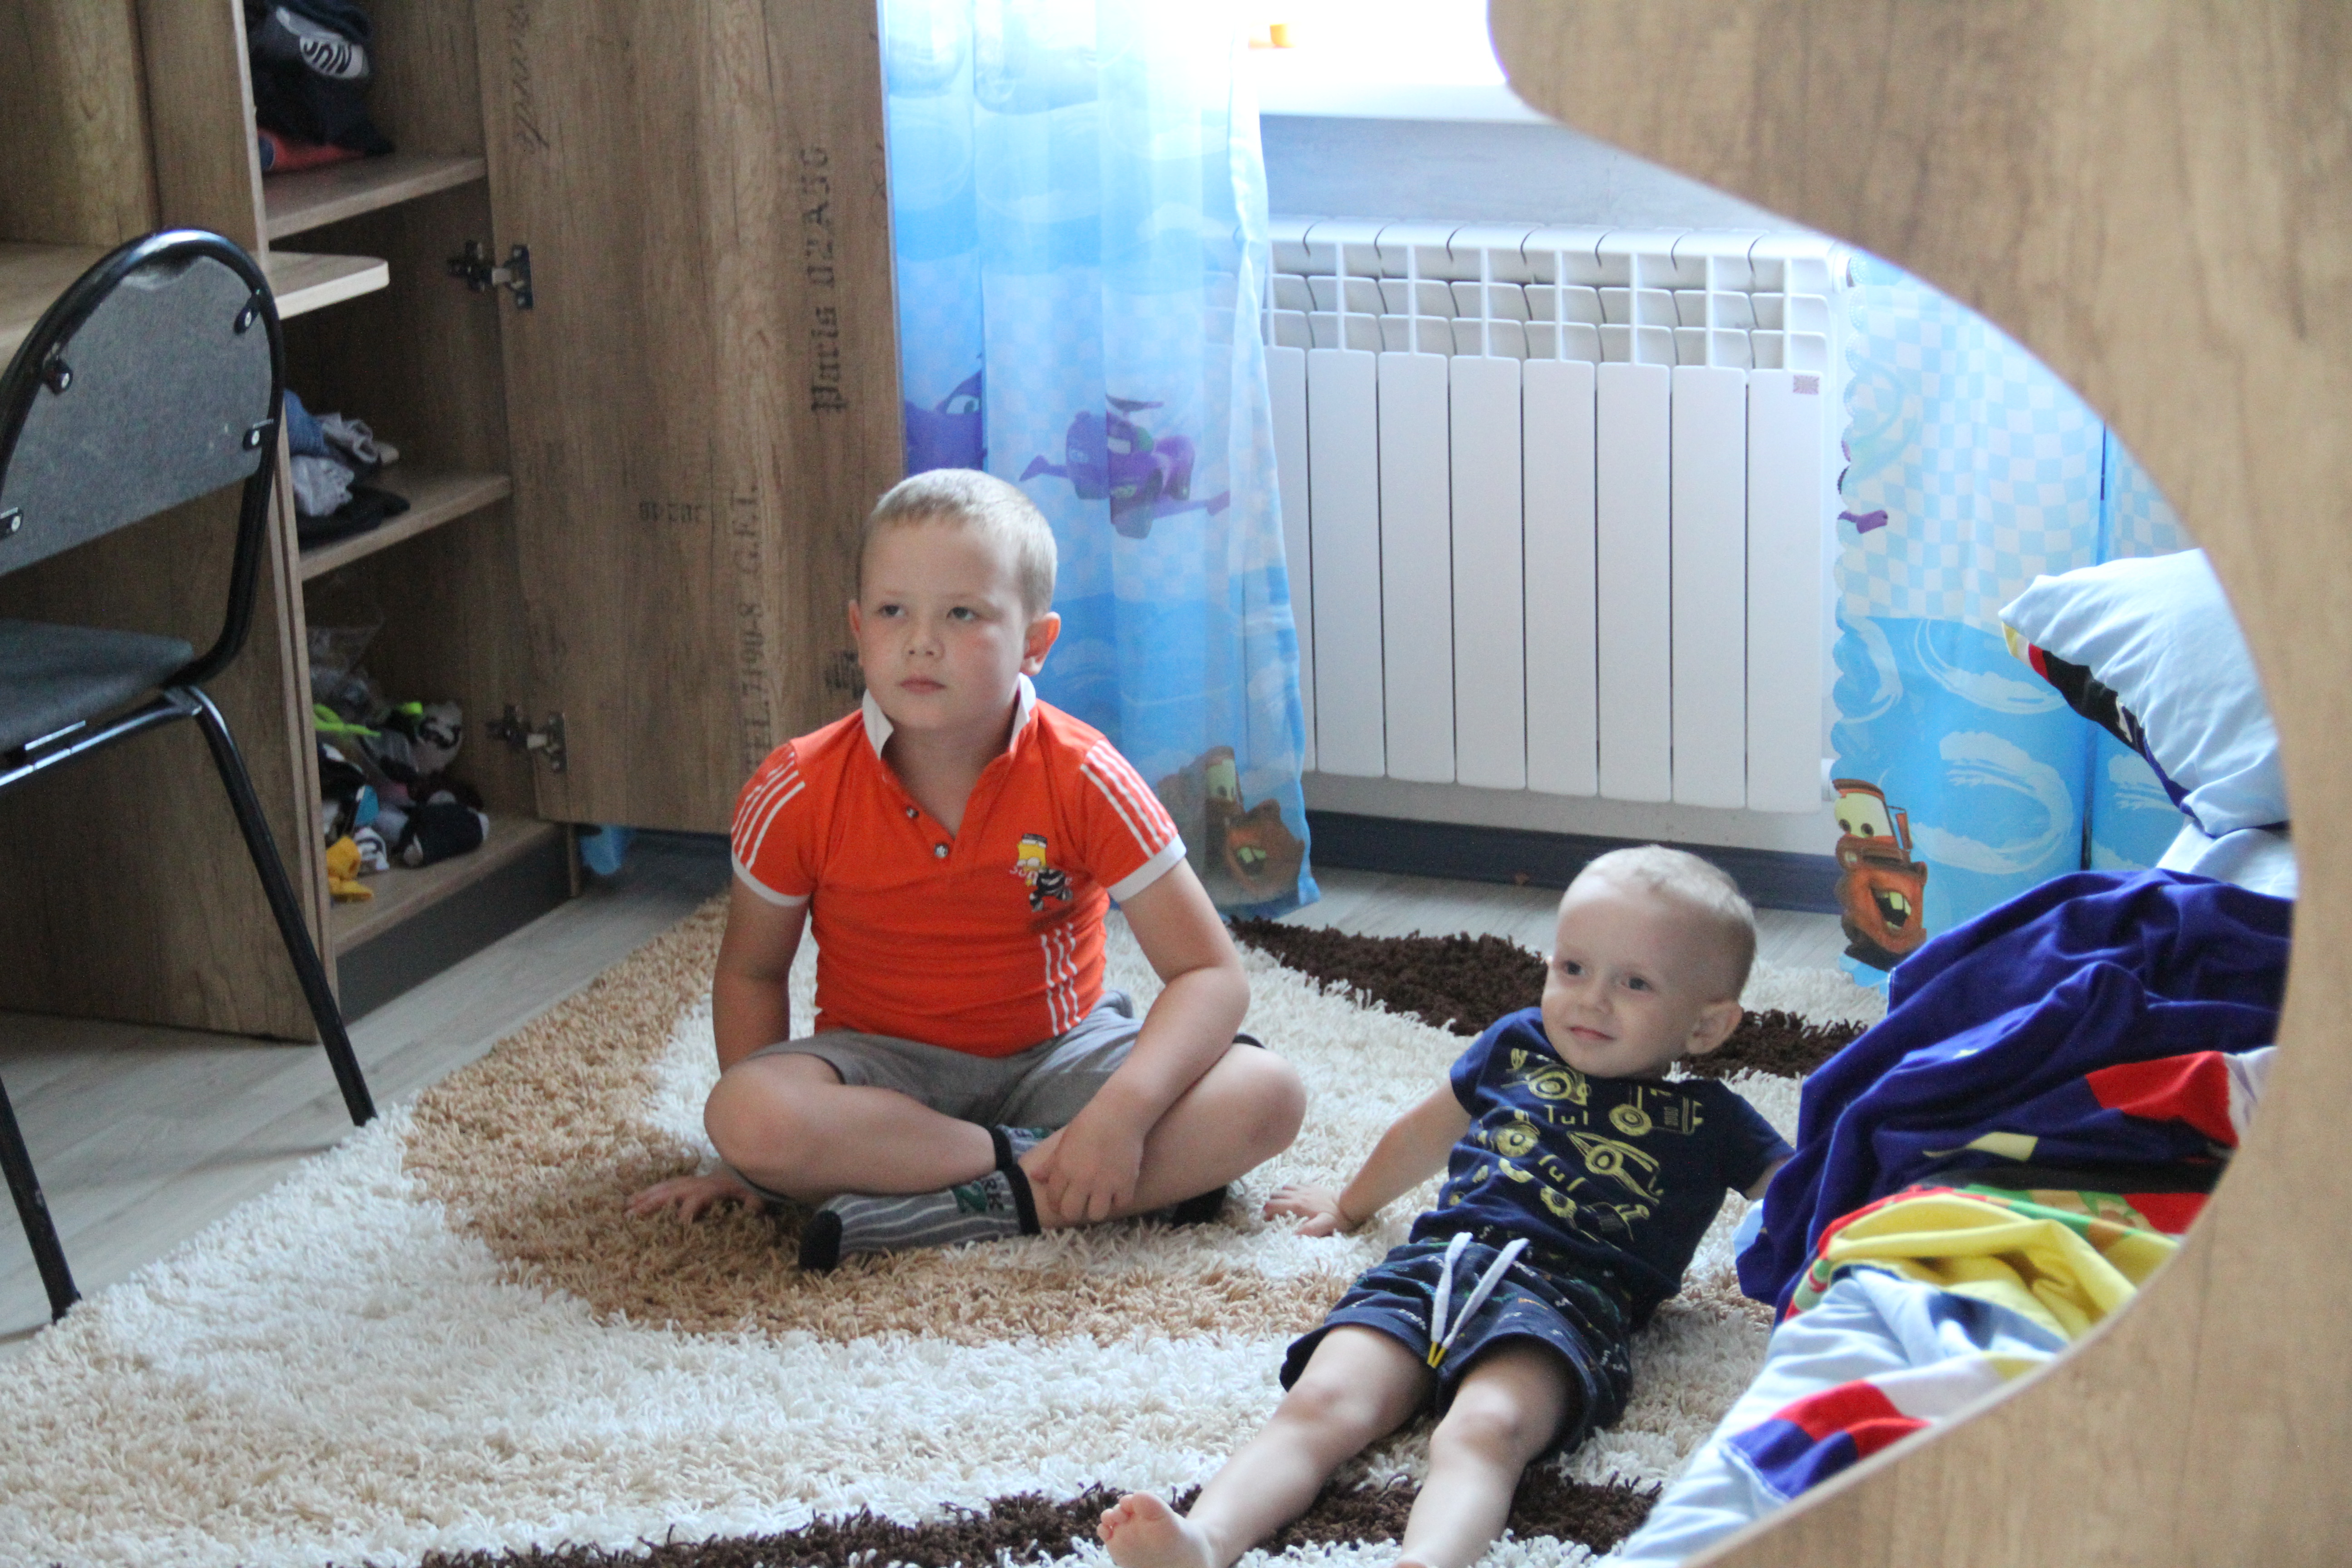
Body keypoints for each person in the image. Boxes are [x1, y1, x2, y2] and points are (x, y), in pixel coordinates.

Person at [629, 469, 1305, 1269]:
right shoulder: (798, 787)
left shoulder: (1087, 774)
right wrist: (746, 1169)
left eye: (962, 613)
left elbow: (1209, 975)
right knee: (745, 1115)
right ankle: (1042, 1170)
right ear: (857, 628)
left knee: (1268, 1095)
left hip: (1060, 1055)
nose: (922, 640)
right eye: (893, 611)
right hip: (881, 1075)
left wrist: (1120, 1115)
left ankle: (953, 1206)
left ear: (1035, 643)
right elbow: (751, 971)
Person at [1099, 846, 1791, 1568]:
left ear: (1706, 1027)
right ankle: (1206, 1540)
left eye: (1635, 983)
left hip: (1566, 1306)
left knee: (1483, 1433)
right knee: (1321, 1402)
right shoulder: (1515, 1046)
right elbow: (1421, 1136)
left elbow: (1802, 1193)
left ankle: (1429, 1561)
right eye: (1572, 968)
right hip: (1435, 1266)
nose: (1591, 999)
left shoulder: (1715, 1120)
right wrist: (1350, 1204)